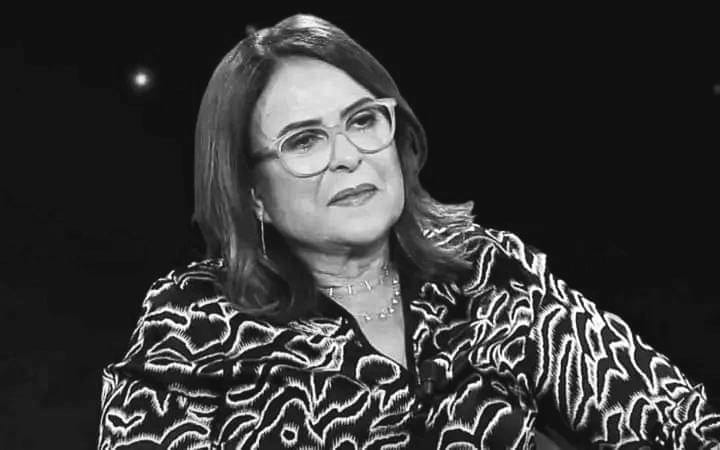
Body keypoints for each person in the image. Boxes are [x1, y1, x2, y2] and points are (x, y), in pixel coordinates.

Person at [97, 13, 719, 449]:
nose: (349, 157)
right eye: (305, 141)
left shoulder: (486, 272)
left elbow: (679, 420)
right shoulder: (192, 323)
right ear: (252, 192)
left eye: (363, 120)